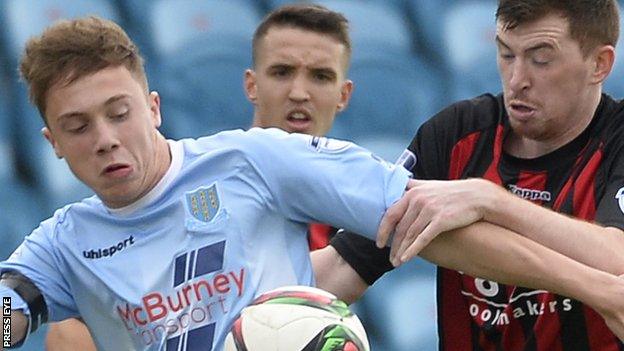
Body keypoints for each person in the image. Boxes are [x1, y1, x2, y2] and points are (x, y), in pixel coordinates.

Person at [0, 15, 413, 350]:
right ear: (53, 143)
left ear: (153, 109)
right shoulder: (63, 245)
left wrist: (479, 200)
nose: (105, 140)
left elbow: (410, 203)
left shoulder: (251, 160)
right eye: (77, 126)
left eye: (120, 113)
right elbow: (8, 310)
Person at [317, 0, 624, 348]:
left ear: (600, 64)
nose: (517, 79)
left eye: (541, 59)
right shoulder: (455, 135)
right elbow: (344, 265)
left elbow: (618, 260)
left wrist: (490, 200)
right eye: (506, 54)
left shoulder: (617, 139)